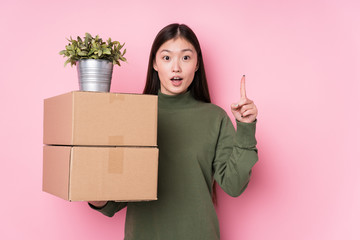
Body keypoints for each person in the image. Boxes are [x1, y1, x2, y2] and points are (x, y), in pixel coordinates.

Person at [89, 23, 258, 240]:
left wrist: (245, 127)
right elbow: (114, 201)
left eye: (185, 58)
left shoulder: (215, 118)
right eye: (167, 58)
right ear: (155, 63)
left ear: (197, 64)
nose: (176, 67)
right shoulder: (132, 114)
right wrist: (93, 192)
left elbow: (234, 185)